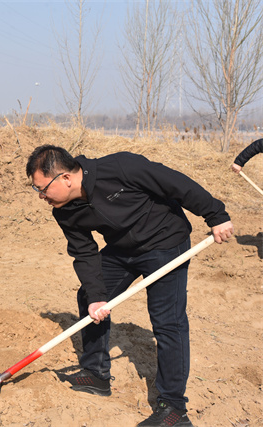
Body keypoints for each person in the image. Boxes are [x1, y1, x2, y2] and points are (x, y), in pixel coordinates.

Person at [25, 146, 233, 427]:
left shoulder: (121, 167)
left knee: (167, 321)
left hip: (165, 242)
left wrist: (216, 215)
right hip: (122, 249)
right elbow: (85, 253)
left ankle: (173, 408)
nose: (42, 197)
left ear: (65, 178)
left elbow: (175, 184)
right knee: (89, 295)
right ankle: (96, 373)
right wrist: (98, 298)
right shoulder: (64, 211)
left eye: (43, 189)